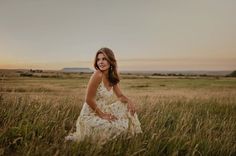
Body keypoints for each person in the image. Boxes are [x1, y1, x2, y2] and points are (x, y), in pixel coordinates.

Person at [65, 47, 142, 144]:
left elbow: (120, 95)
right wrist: (102, 115)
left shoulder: (111, 76)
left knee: (126, 107)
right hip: (90, 114)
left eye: (104, 59)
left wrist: (129, 101)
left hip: (104, 109)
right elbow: (88, 99)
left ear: (111, 61)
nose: (100, 62)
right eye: (98, 59)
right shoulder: (97, 75)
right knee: (115, 127)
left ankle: (133, 137)